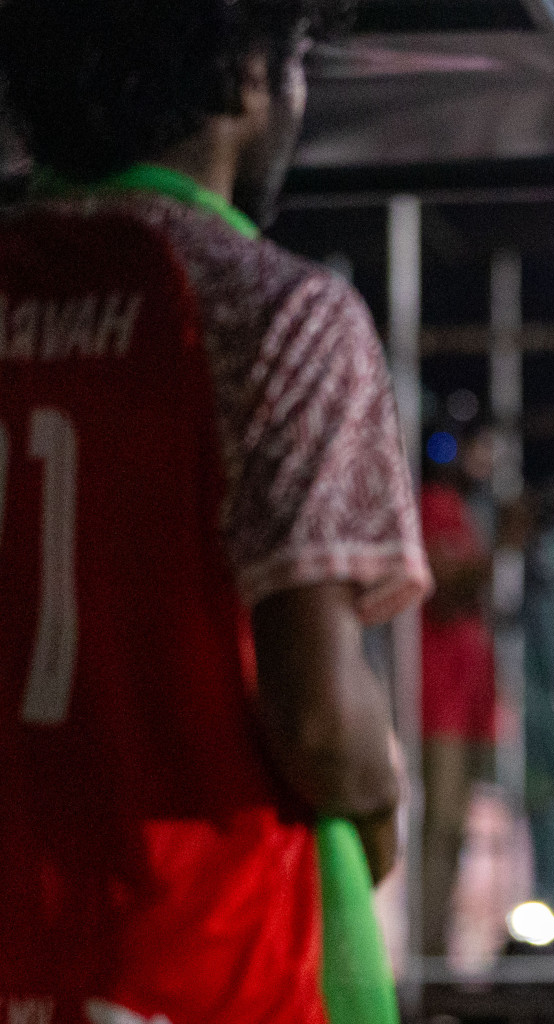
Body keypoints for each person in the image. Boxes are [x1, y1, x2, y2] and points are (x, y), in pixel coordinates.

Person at [0, 1, 429, 1021]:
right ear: (247, 73)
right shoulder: (275, 309)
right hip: (205, 956)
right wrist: (379, 793)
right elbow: (319, 720)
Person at [418, 429, 499, 956]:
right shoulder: (434, 506)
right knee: (441, 826)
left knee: (459, 831)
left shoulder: (464, 514)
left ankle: (439, 946)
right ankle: (424, 950)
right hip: (437, 703)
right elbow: (447, 589)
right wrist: (503, 548)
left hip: (470, 704)